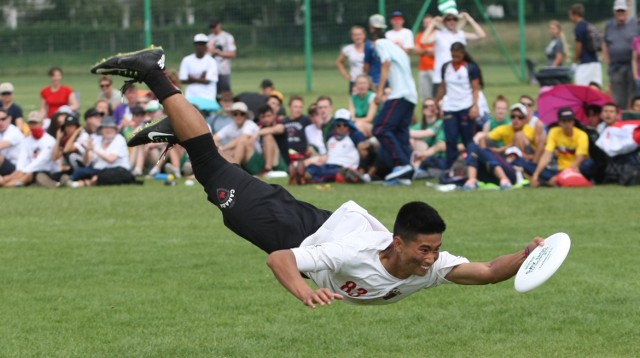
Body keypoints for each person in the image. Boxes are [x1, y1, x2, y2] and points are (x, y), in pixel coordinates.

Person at [91, 46, 545, 308]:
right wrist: (304, 291)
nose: (432, 259)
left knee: (214, 171)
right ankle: (154, 72)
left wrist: (526, 255)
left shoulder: (427, 269)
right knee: (211, 172)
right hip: (297, 230)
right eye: (425, 250)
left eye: (436, 250)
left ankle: (181, 129)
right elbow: (280, 261)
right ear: (398, 242)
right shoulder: (358, 252)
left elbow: (485, 272)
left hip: (311, 221)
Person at [369, 14, 417, 182]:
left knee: (380, 129)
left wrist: (379, 92)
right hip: (411, 95)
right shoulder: (397, 47)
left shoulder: (381, 44)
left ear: (371, 29)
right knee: (400, 133)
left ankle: (401, 163)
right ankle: (406, 175)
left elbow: (386, 64)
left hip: (399, 93)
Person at [435, 42, 482, 170]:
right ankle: (449, 166)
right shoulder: (446, 67)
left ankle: (472, 164)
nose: (455, 59)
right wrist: (436, 102)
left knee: (467, 139)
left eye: (458, 56)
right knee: (450, 138)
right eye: (453, 56)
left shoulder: (470, 68)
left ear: (463, 54)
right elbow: (442, 86)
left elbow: (475, 88)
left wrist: (475, 106)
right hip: (450, 107)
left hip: (466, 107)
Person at [424, 10, 486, 96]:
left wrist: (469, 19)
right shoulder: (438, 34)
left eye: (454, 19)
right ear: (444, 22)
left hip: (459, 77)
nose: (451, 21)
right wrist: (432, 24)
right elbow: (424, 40)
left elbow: (481, 35)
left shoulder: (461, 34)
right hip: (440, 77)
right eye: (448, 19)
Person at [532, 107, 594, 187]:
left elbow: (579, 159)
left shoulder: (582, 135)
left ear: (573, 122)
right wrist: (536, 174)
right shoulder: (554, 132)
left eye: (569, 121)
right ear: (559, 123)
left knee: (590, 163)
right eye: (564, 121)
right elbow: (547, 155)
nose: (567, 124)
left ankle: (555, 181)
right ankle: (557, 181)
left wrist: (561, 176)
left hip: (577, 168)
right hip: (559, 169)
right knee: (529, 166)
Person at [304, 109, 368, 183]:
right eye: (338, 125)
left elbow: (365, 153)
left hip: (344, 167)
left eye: (345, 125)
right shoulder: (330, 136)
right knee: (312, 167)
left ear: (349, 125)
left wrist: (362, 168)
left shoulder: (356, 135)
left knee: (332, 173)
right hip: (329, 164)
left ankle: (310, 180)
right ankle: (306, 176)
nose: (341, 127)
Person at [0, 111, 57, 187]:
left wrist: (23, 171)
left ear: (42, 124)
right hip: (28, 168)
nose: (33, 126)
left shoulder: (49, 140)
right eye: (31, 123)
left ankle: (5, 184)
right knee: (20, 175)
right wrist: (19, 170)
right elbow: (23, 157)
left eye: (35, 123)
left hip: (44, 169)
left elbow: (41, 160)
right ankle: (5, 182)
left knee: (26, 176)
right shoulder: (27, 140)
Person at [603, 0, 638, 109]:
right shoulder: (609, 25)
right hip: (616, 66)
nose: (620, 14)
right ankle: (621, 115)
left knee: (634, 95)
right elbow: (605, 42)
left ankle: (634, 116)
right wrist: (606, 57)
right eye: (618, 11)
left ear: (627, 12)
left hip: (632, 65)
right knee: (618, 96)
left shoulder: (635, 24)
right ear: (614, 12)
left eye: (622, 11)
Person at [568, 3, 602, 86]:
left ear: (575, 15)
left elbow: (579, 46)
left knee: (581, 89)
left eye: (570, 15)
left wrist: (575, 61)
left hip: (585, 64)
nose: (570, 17)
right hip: (595, 63)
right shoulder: (588, 25)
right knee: (594, 89)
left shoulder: (578, 28)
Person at [180, 33, 219, 102]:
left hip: (208, 97)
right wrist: (201, 78)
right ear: (195, 45)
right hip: (191, 97)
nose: (201, 46)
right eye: (199, 44)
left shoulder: (211, 61)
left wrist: (192, 79)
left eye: (203, 44)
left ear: (206, 46)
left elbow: (208, 81)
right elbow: (183, 80)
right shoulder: (187, 60)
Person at [410, 98, 446, 171]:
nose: (429, 108)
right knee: (411, 139)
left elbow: (425, 134)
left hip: (435, 155)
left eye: (432, 106)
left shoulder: (440, 122)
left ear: (437, 109)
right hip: (425, 154)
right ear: (423, 110)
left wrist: (401, 132)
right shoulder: (420, 126)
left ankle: (414, 168)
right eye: (426, 106)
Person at [207, 16, 236, 93]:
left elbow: (233, 54)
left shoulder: (227, 37)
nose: (213, 29)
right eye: (211, 27)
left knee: (225, 94)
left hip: (223, 71)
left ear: (219, 25)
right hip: (211, 72)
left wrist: (219, 53)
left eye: (214, 26)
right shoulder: (208, 38)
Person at [336, 26, 366, 94]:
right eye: (355, 35)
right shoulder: (348, 49)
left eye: (360, 35)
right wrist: (345, 74)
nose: (358, 37)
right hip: (354, 81)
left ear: (364, 35)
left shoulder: (370, 47)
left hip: (368, 81)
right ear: (352, 37)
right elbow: (339, 62)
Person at [414, 15, 436, 101]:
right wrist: (428, 50)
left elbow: (436, 52)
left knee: (436, 93)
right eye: (426, 23)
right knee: (425, 96)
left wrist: (422, 50)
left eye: (429, 22)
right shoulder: (420, 36)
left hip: (434, 68)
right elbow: (416, 51)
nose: (427, 24)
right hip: (423, 69)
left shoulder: (436, 34)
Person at [0, 108, 24, 179]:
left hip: (16, 167)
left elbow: (1, 145)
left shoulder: (14, 132)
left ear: (9, 119)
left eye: (3, 119)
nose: (0, 122)